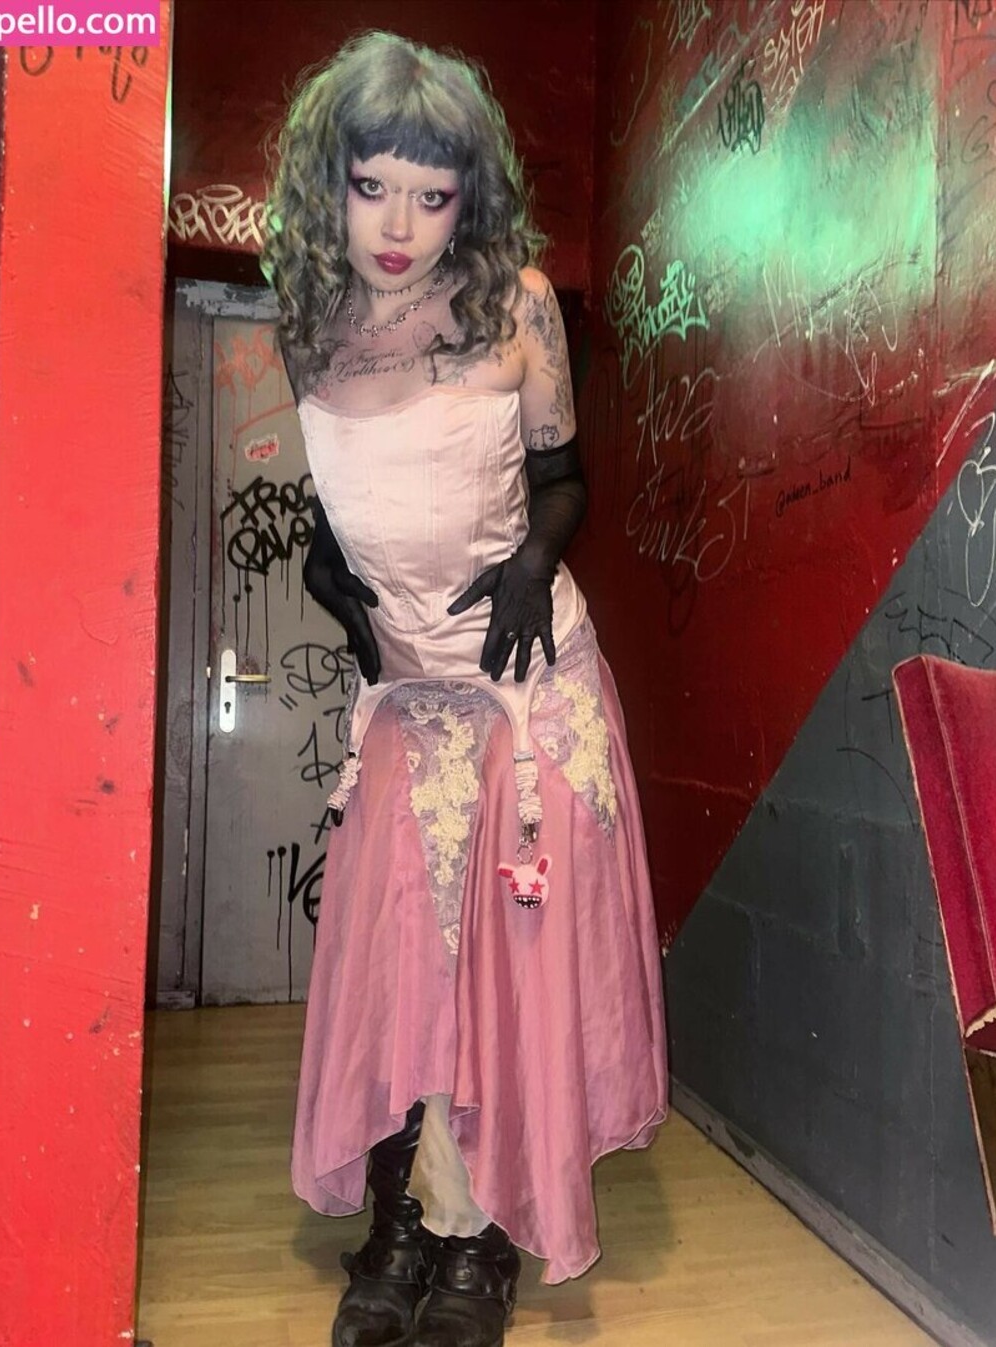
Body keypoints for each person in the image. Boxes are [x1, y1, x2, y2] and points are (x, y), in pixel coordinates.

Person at [262, 30, 667, 1347]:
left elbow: (563, 477)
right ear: (329, 183)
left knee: (508, 970)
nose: (398, 227)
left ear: (468, 199)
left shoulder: (518, 305)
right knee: (399, 968)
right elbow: (345, 502)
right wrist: (329, 576)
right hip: (405, 703)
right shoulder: (308, 328)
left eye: (431, 197)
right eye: (372, 187)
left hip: (525, 697)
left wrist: (535, 559)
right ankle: (399, 1226)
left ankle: (481, 1238)